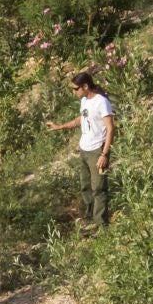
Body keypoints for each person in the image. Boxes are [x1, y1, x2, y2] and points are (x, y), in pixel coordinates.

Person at [44, 70, 116, 227]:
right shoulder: (84, 100)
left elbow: (110, 128)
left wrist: (104, 154)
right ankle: (90, 217)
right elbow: (81, 119)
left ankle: (102, 226)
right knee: (86, 186)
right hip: (84, 149)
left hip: (97, 150)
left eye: (75, 89)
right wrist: (60, 126)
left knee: (98, 188)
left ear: (85, 86)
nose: (73, 92)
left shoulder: (101, 102)